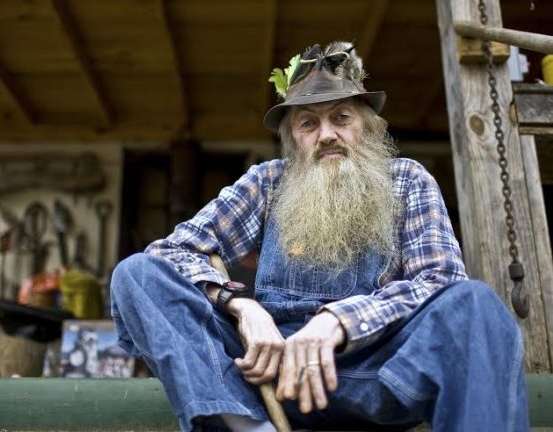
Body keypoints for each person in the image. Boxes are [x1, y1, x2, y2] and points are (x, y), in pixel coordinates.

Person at [110, 41, 528, 432]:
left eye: (341, 118)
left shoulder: (407, 180)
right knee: (137, 274)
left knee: (475, 305)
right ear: (293, 139)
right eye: (308, 123)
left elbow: (438, 281)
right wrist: (239, 305)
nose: (326, 133)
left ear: (367, 127)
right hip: (270, 376)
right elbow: (170, 252)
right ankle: (249, 427)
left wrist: (339, 322)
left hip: (375, 373)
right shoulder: (268, 182)